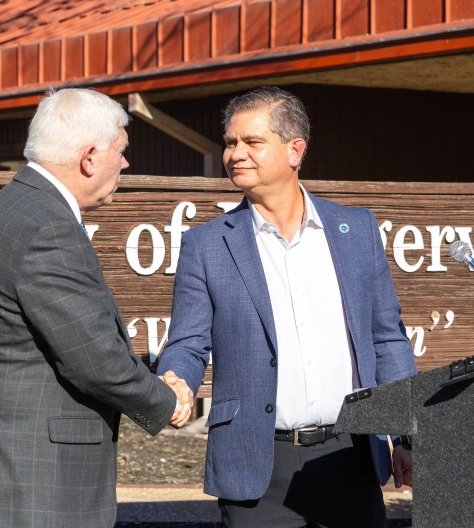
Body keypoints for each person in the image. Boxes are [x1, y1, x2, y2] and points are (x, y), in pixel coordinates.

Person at [157, 87, 416, 528]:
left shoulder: (356, 232)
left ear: (295, 150)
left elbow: (386, 338)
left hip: (352, 458)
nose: (235, 153)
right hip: (258, 468)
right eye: (230, 142)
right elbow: (187, 341)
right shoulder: (207, 245)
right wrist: (175, 379)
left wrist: (410, 436)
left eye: (252, 142)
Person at [0, 88, 194, 528]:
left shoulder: (21, 205)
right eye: (121, 151)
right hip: (30, 485)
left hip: (9, 477)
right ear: (89, 157)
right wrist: (168, 401)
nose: (125, 164)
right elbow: (96, 361)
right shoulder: (47, 226)